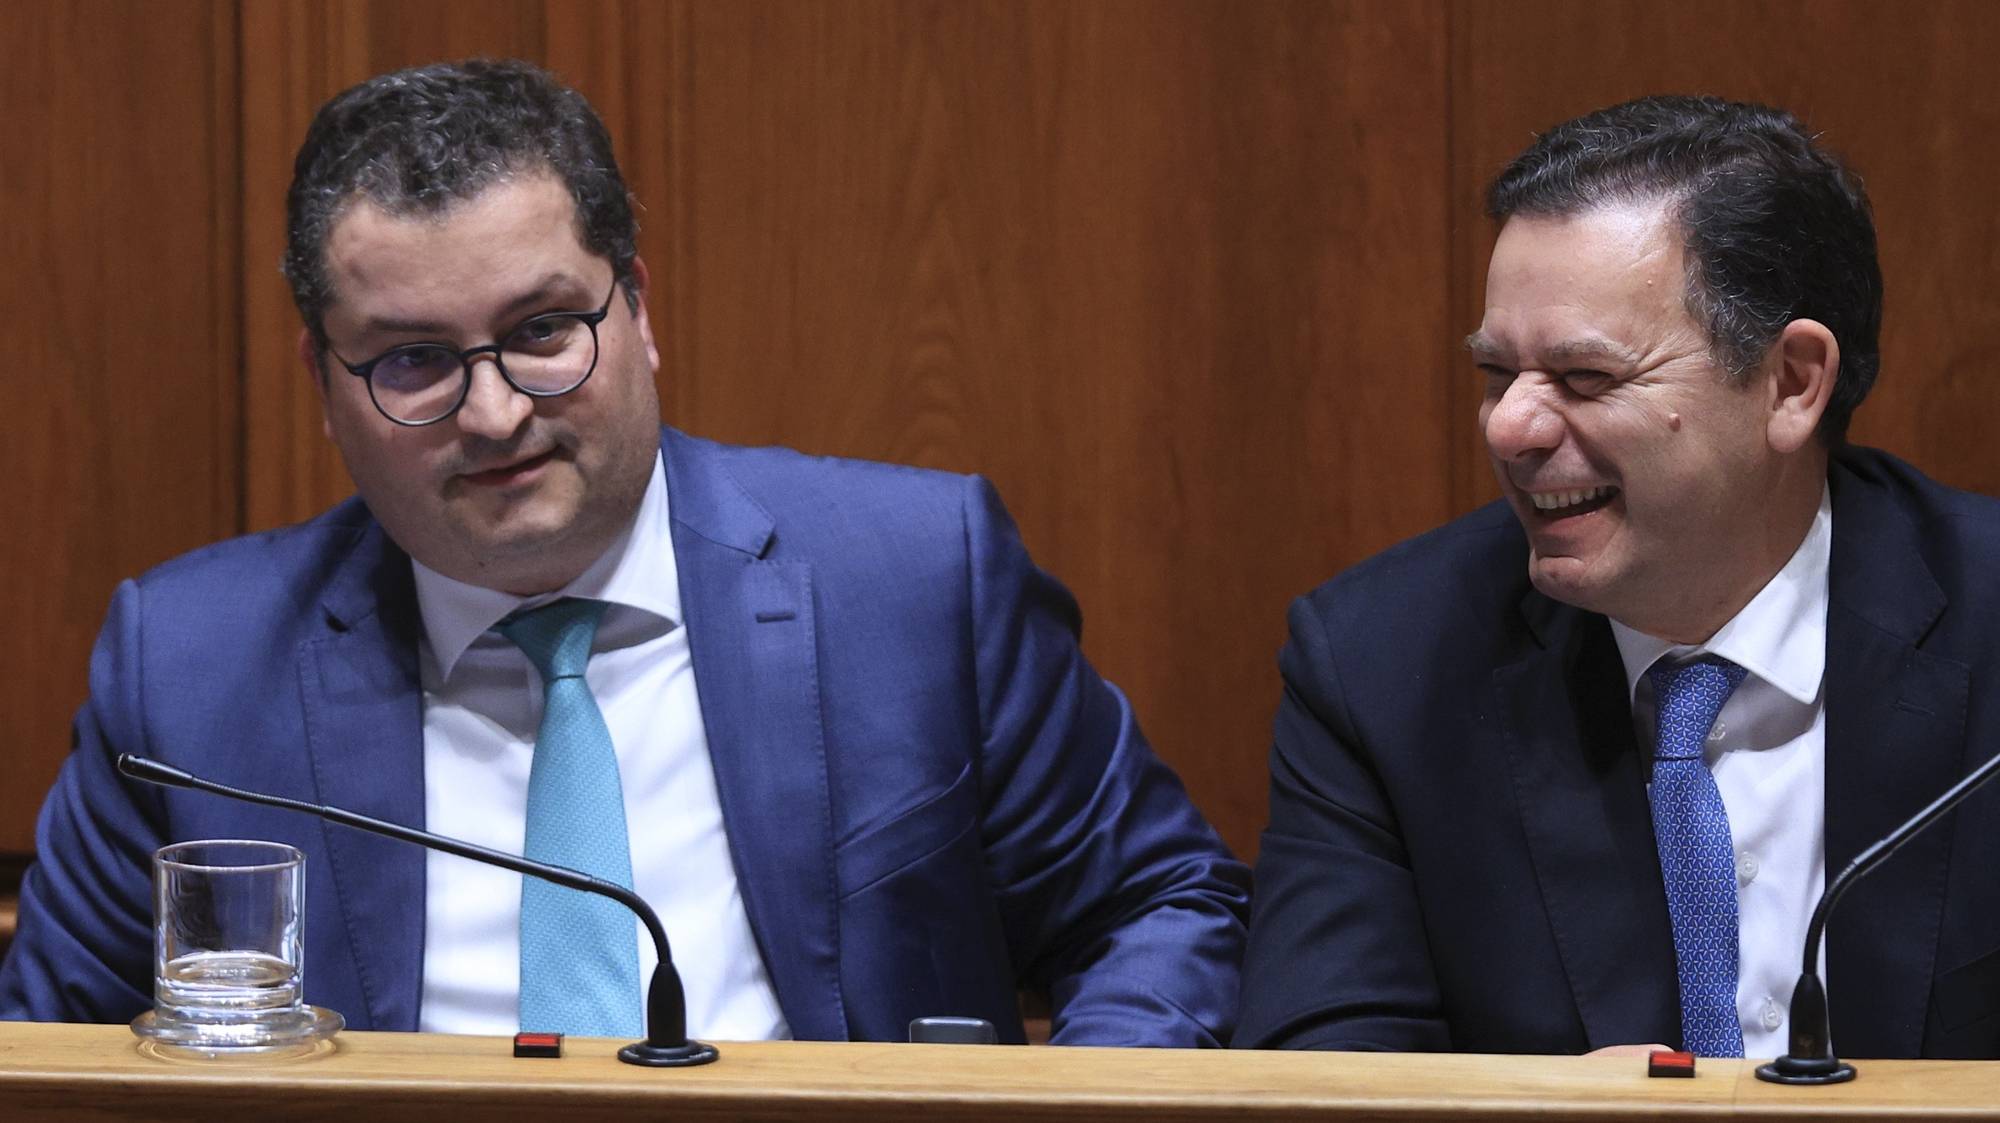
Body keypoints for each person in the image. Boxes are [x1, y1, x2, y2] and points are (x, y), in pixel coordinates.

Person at [0, 59, 1248, 1047]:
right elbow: (43, 1052)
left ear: (638, 310)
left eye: (543, 329)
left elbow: (1160, 906)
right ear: (322, 384)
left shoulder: (912, 578)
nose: (493, 414)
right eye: (413, 360)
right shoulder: (190, 668)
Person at [1236, 95, 2000, 1059]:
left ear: (1792, 382)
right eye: (1495, 373)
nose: (1510, 428)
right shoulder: (1382, 667)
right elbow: (1324, 1070)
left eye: (1584, 377)